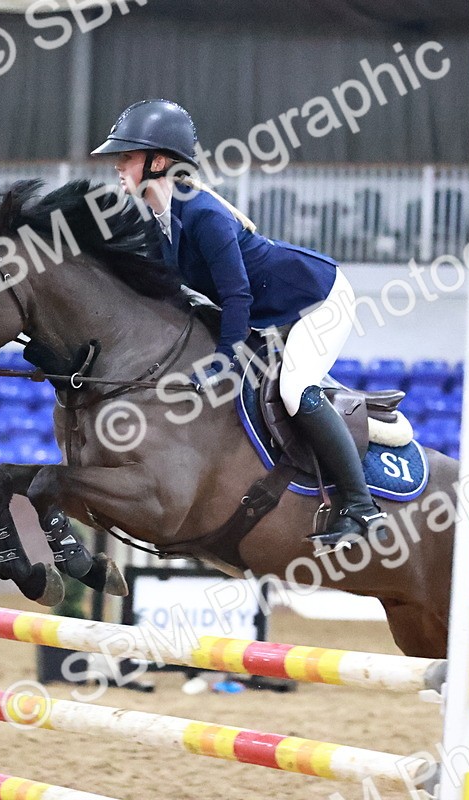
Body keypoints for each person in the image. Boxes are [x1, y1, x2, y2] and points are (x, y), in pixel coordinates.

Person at [92, 99, 384, 552]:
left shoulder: (202, 214)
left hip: (319, 300)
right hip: (273, 312)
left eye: (126, 157)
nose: (117, 166)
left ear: (158, 162)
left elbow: (237, 296)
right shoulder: (159, 219)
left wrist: (223, 361)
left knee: (296, 390)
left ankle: (362, 507)